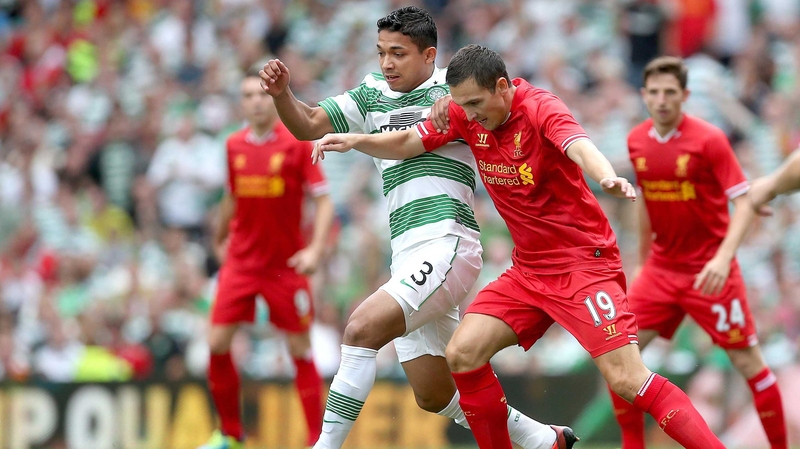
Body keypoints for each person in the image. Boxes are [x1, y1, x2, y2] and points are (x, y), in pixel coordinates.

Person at [312, 44, 728, 449]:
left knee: (627, 379)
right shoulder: (464, 112)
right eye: (463, 106)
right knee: (464, 352)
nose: (470, 115)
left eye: (477, 103)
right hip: (528, 271)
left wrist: (606, 177)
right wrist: (356, 141)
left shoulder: (540, 107)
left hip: (582, 264)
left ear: (502, 86)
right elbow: (408, 142)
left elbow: (578, 145)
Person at [261, 6, 576, 449]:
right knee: (434, 393)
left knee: (360, 329)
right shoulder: (371, 94)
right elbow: (309, 124)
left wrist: (451, 99)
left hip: (448, 242)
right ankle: (543, 440)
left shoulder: (457, 89)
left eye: (399, 53)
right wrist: (282, 95)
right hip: (407, 253)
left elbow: (509, 107)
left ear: (429, 56)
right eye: (381, 52)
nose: (387, 63)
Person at [609, 56, 787, 449]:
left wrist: (723, 258)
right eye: (654, 92)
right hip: (660, 270)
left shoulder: (709, 140)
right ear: (643, 95)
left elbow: (744, 203)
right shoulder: (637, 140)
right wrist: (640, 263)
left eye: (670, 92)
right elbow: (646, 203)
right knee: (618, 359)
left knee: (750, 366)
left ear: (685, 95)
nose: (661, 100)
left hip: (710, 271)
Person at [198, 68, 335, 449]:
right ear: (241, 104)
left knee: (299, 350)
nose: (256, 101)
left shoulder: (297, 143)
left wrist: (314, 250)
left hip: (284, 266)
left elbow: (324, 202)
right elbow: (232, 196)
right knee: (217, 343)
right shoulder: (233, 145)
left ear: (272, 99)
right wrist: (219, 237)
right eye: (248, 96)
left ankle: (316, 440)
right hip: (242, 262)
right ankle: (230, 435)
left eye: (261, 94)